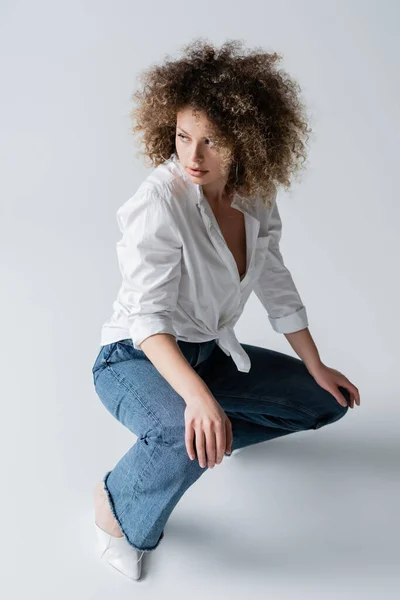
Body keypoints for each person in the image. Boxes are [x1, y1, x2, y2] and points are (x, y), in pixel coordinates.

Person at [91, 39, 360, 581]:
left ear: (247, 140)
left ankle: (205, 437)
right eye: (183, 137)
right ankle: (116, 511)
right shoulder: (158, 202)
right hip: (136, 359)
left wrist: (315, 363)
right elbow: (146, 322)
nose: (193, 157)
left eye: (212, 141)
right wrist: (197, 400)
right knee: (180, 438)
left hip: (207, 355)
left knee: (322, 402)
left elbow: (275, 280)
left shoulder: (254, 195)